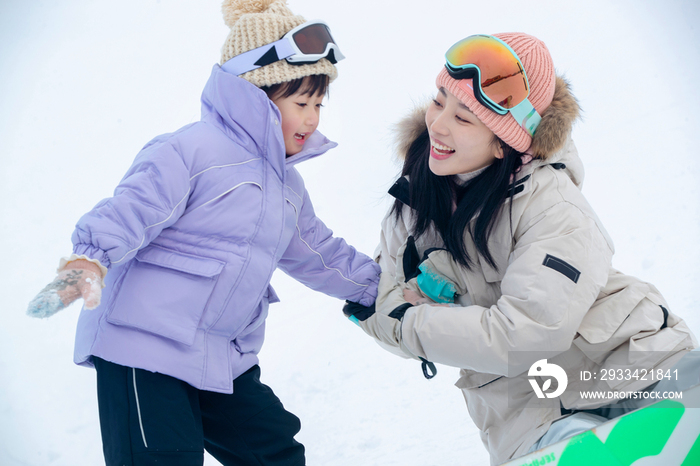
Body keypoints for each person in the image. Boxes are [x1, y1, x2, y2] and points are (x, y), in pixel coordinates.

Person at [26, 1, 380, 465]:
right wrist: (87, 263)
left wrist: (381, 289)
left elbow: (319, 252)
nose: (313, 118)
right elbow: (131, 210)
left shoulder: (286, 186)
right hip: (142, 347)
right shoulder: (192, 150)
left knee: (274, 452)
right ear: (256, 95)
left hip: (219, 357)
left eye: (318, 103)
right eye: (300, 103)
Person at [343, 32, 698, 465]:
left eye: (465, 118)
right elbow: (386, 308)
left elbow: (524, 334)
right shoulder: (413, 210)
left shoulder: (553, 205)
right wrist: (400, 316)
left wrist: (414, 319)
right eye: (439, 102)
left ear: (503, 144)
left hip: (634, 369)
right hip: (526, 413)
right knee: (573, 445)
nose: (438, 125)